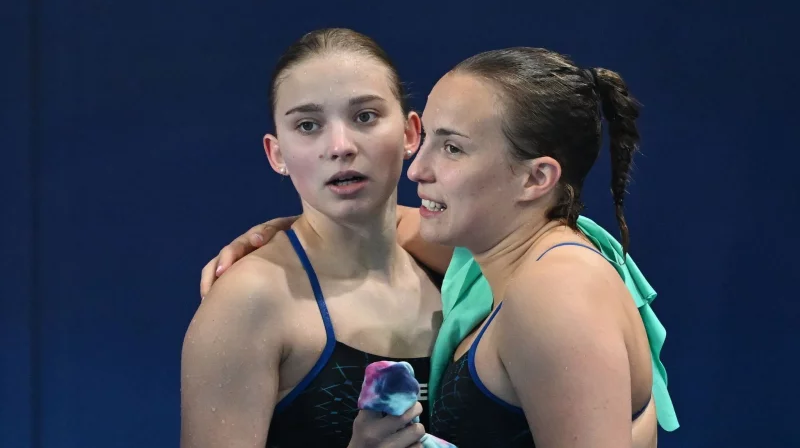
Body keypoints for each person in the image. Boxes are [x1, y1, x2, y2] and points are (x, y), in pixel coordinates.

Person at [197, 42, 679, 447]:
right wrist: (282, 233)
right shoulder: (472, 257)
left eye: (451, 146)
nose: (418, 170)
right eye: (308, 125)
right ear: (276, 152)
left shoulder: (548, 285)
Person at [181, 28, 441, 448]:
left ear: (411, 133)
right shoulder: (249, 301)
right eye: (308, 125)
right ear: (276, 153)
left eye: (365, 117)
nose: (340, 146)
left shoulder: (462, 261)